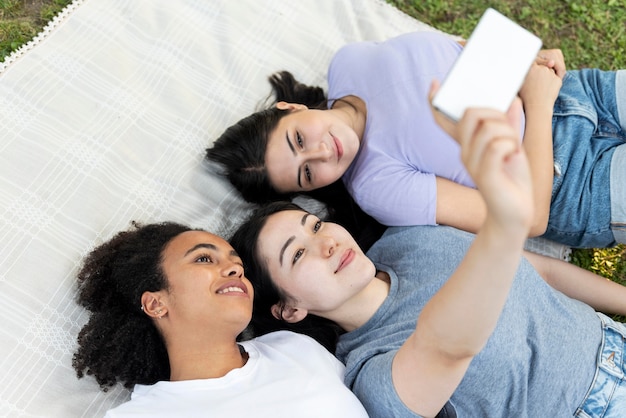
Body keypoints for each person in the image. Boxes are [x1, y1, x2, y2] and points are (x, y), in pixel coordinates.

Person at [229, 103, 626, 417]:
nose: (326, 243)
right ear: (290, 310)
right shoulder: (373, 375)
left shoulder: (409, 239)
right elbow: (450, 345)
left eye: (314, 226)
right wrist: (504, 220)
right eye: (297, 254)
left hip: (612, 338)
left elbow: (540, 270)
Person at [206, 29, 626, 249]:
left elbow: (461, 52)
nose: (320, 154)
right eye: (306, 174)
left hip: (580, 93)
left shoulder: (349, 61)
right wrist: (537, 101)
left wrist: (528, 65)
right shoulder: (378, 188)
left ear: (292, 110)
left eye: (298, 140)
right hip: (574, 186)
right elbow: (528, 219)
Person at [72, 221, 368, 417]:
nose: (234, 269)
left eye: (237, 263)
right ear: (155, 303)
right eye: (203, 259)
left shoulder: (294, 347)